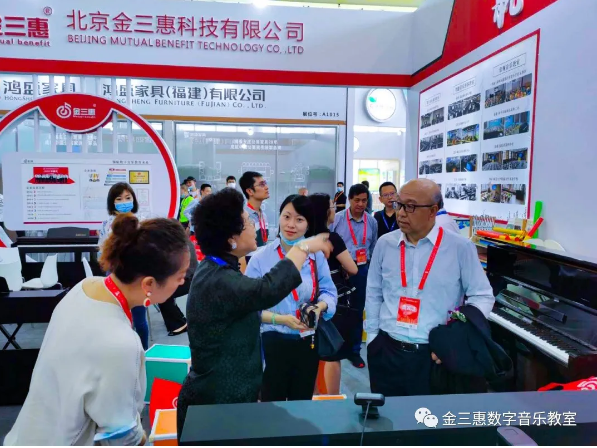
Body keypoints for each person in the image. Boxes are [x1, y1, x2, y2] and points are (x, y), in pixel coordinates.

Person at [5, 215, 190, 446]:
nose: (182, 283)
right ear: (149, 284)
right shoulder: (120, 343)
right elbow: (121, 436)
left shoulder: (84, 288)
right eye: (180, 277)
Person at [177, 189, 332, 439]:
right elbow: (266, 290)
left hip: (227, 397)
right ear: (232, 238)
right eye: (247, 222)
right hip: (216, 404)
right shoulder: (220, 279)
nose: (254, 227)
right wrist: (303, 247)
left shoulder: (218, 269)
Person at [365, 179, 495, 397]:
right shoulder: (385, 244)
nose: (401, 213)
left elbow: (482, 296)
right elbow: (374, 292)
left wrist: (455, 339)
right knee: (387, 417)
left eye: (410, 206)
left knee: (429, 417)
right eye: (399, 204)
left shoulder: (459, 248)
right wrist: (372, 339)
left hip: (434, 355)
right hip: (387, 351)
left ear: (433, 211)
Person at [245, 194, 337, 402]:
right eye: (286, 217)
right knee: (272, 401)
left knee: (302, 399)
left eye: (299, 219)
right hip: (272, 340)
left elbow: (329, 292)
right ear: (279, 217)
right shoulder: (261, 258)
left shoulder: (316, 256)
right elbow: (248, 307)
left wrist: (320, 307)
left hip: (307, 340)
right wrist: (281, 319)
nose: (291, 225)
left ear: (308, 224)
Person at [309, 193, 358, 395]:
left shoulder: (303, 240)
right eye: (331, 207)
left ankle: (312, 397)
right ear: (324, 212)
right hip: (332, 302)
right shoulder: (331, 238)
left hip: (308, 302)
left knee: (311, 352)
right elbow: (352, 268)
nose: (335, 210)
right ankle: (330, 400)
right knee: (331, 351)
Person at [330, 183, 377, 369]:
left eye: (364, 200)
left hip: (362, 269)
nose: (360, 204)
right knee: (336, 309)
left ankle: (354, 351)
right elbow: (329, 243)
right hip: (339, 270)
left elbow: (372, 246)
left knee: (357, 310)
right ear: (349, 199)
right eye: (357, 200)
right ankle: (336, 347)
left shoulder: (371, 221)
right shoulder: (338, 219)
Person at [98, 182, 150, 350]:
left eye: (128, 197)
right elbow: (102, 250)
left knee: (140, 320)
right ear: (112, 202)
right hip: (115, 275)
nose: (124, 202)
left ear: (133, 199)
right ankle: (120, 353)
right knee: (117, 318)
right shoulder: (107, 224)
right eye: (119, 199)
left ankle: (143, 353)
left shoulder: (142, 221)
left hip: (137, 276)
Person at [158, 238, 197, 336]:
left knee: (162, 293)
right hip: (186, 277)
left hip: (188, 280)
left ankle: (178, 324)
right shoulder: (180, 243)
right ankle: (177, 319)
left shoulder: (180, 247)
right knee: (160, 291)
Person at [239, 171, 270, 257]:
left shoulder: (263, 215)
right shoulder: (243, 216)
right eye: (262, 184)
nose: (267, 187)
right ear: (250, 191)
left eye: (265, 183)